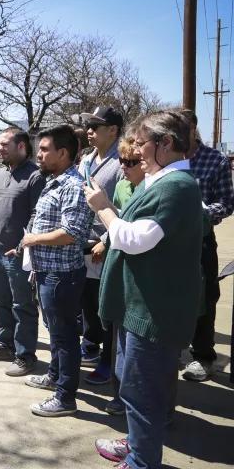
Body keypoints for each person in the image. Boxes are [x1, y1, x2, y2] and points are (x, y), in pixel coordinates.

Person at [85, 111, 202, 469]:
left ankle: (142, 461)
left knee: (142, 394)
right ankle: (137, 445)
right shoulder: (161, 183)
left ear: (165, 144)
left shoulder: (176, 187)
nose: (134, 152)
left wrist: (104, 209)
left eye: (141, 144)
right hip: (139, 308)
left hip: (153, 312)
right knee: (135, 387)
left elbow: (134, 239)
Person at [21, 124, 93, 417]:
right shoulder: (54, 181)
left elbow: (70, 232)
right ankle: (53, 376)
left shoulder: (73, 187)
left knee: (64, 337)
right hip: (46, 273)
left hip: (61, 277)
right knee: (54, 332)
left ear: (63, 153)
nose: (38, 154)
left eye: (44, 149)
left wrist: (32, 239)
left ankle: (65, 398)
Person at [0, 126, 45, 377]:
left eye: (5, 144)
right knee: (0, 302)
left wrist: (20, 247)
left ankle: (25, 355)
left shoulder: (35, 177)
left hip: (16, 255)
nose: (0, 148)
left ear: (21, 146)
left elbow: (37, 215)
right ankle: (4, 344)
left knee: (22, 305)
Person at [177, 109, 234, 382]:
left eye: (180, 130)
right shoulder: (163, 158)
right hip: (165, 241)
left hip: (200, 241)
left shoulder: (215, 160)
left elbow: (226, 203)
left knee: (204, 298)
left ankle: (203, 356)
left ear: (192, 130)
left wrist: (199, 213)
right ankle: (172, 346)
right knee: (168, 295)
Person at [99, 132, 147, 416]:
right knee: (119, 344)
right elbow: (115, 225)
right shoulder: (121, 186)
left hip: (141, 279)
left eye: (131, 162)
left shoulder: (154, 190)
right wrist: (103, 241)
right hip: (120, 270)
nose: (125, 168)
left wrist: (103, 208)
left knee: (139, 357)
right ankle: (120, 396)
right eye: (121, 161)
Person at [76, 106, 124, 380]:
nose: (89, 132)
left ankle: (109, 360)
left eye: (96, 127)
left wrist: (106, 240)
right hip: (82, 243)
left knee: (107, 308)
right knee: (88, 304)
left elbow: (125, 208)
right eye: (88, 127)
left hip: (104, 245)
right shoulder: (86, 159)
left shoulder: (123, 163)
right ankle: (92, 346)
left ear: (114, 131)